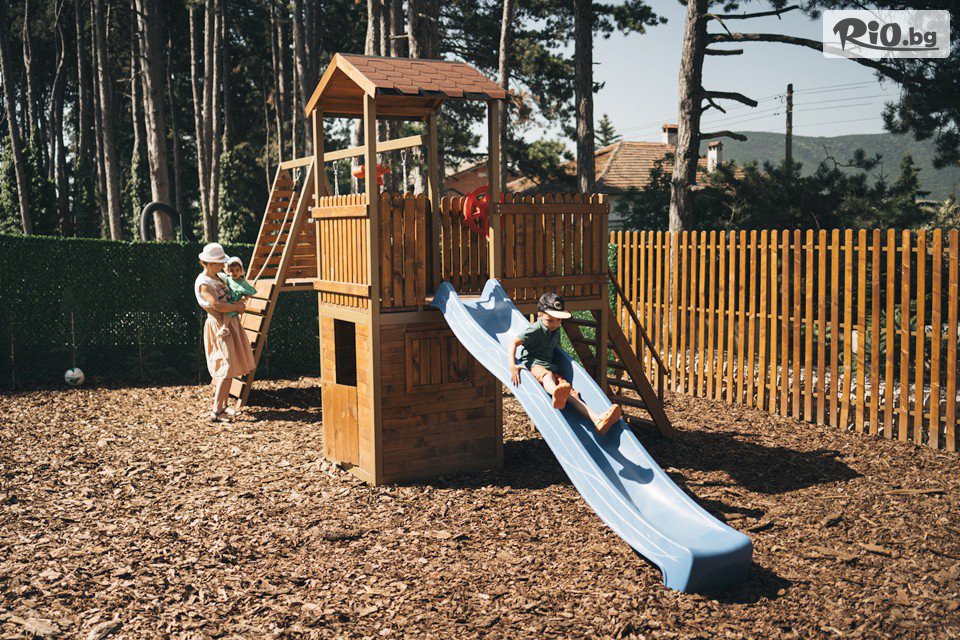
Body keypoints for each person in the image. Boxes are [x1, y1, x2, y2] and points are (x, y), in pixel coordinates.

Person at [507, 293, 623, 435]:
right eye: (550, 320)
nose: (555, 324)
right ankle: (555, 392)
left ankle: (597, 419)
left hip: (550, 367)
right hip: (534, 364)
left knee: (571, 394)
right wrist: (512, 365)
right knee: (547, 376)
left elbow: (556, 350)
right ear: (540, 315)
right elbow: (513, 343)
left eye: (558, 320)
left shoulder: (555, 330)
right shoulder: (536, 329)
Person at [195, 243, 256, 422]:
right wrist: (237, 307)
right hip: (219, 325)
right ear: (209, 263)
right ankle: (216, 411)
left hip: (230, 323)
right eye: (220, 262)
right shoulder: (204, 283)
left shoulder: (219, 277)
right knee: (225, 367)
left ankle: (223, 405)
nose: (224, 265)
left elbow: (234, 289)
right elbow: (217, 305)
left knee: (232, 366)